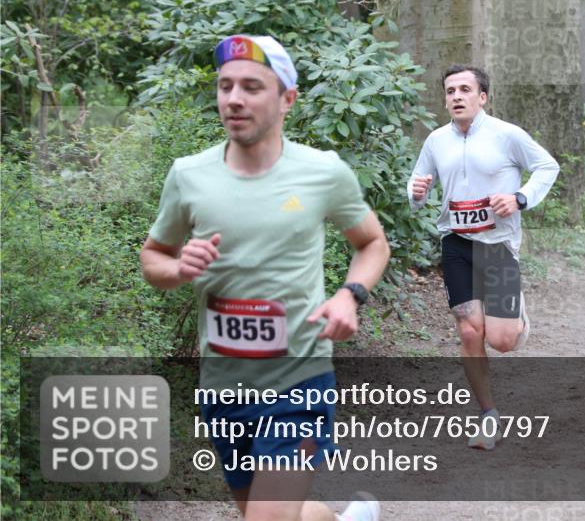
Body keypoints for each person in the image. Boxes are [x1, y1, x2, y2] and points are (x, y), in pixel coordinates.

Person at [140, 35, 388, 521]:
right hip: (224, 389)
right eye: (225, 86)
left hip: (299, 382)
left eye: (252, 87)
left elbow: (372, 244)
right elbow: (154, 258)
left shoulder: (322, 173)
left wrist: (348, 295)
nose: (234, 98)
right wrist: (177, 269)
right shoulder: (189, 176)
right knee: (266, 512)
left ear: (287, 99)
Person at [407, 64, 559, 450]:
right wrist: (417, 191)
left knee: (503, 341)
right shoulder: (436, 141)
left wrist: (520, 198)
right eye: (449, 91)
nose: (455, 96)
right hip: (457, 244)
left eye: (463, 89)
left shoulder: (507, 135)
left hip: (498, 247)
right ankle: (487, 415)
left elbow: (547, 166)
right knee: (469, 331)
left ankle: (516, 319)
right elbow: (416, 191)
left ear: (482, 97)